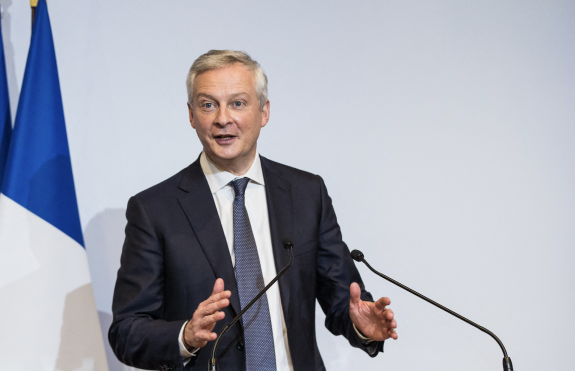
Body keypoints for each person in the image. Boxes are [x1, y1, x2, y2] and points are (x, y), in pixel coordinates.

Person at [109, 50, 397, 371]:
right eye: (208, 105)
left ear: (264, 112)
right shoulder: (154, 210)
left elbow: (343, 299)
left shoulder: (305, 194)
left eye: (238, 103)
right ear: (191, 116)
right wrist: (185, 335)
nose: (222, 118)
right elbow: (126, 331)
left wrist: (362, 326)